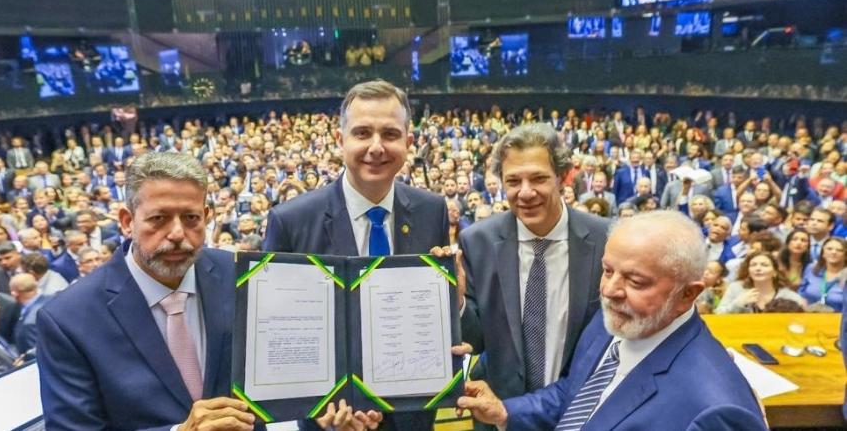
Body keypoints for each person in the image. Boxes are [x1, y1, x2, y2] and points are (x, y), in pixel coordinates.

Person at [455, 211, 767, 431]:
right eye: (607, 270)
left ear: (687, 294)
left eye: (636, 281)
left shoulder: (717, 413)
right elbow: (573, 393)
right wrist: (505, 410)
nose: (609, 290)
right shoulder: (619, 319)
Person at [263, 80, 446, 431]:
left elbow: (439, 320)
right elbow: (277, 337)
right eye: (362, 133)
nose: (376, 147)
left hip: (413, 417)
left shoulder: (431, 211)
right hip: (330, 422)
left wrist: (454, 307)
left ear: (409, 143)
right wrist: (314, 408)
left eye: (390, 134)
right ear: (340, 140)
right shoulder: (291, 221)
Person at [37, 152, 261, 430]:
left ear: (206, 217)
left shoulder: (243, 275)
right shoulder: (67, 320)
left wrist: (322, 405)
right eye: (159, 218)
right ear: (126, 221)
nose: (177, 233)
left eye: (191, 218)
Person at [452, 123, 609, 429]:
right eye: (513, 181)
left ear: (564, 177)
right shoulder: (478, 241)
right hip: (498, 415)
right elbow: (474, 340)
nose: (525, 192)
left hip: (579, 415)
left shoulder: (605, 239)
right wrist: (456, 302)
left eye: (538, 178)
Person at [715, 251, 805, 313]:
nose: (758, 268)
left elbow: (802, 312)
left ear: (775, 272)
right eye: (753, 265)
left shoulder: (788, 295)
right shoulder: (736, 288)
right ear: (748, 271)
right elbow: (718, 314)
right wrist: (737, 304)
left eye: (764, 265)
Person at [798, 237, 846, 311]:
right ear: (823, 253)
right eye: (829, 249)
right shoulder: (811, 268)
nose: (834, 252)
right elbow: (801, 293)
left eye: (839, 250)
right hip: (809, 316)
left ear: (845, 256)